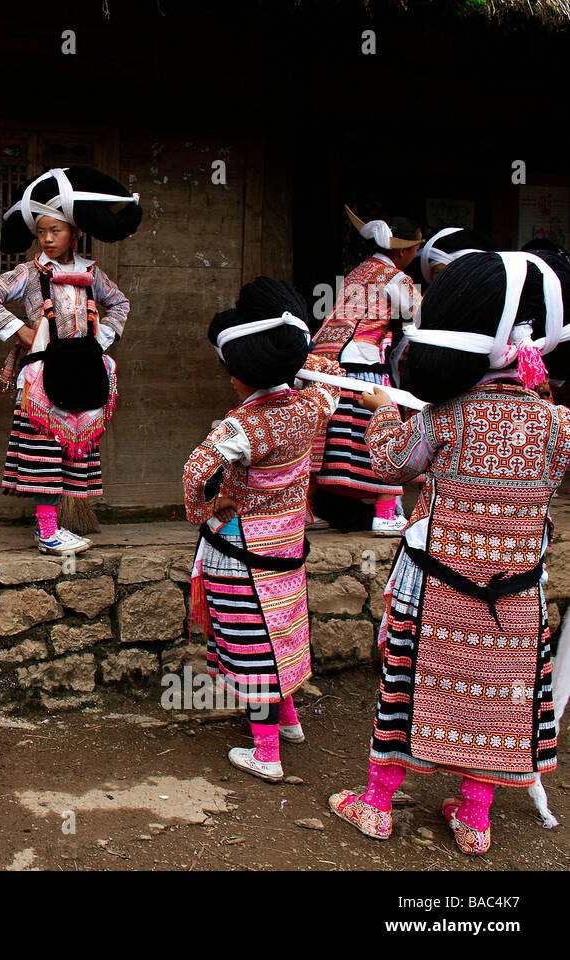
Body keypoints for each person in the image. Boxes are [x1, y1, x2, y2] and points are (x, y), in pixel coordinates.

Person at [329, 250, 569, 855]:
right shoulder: (559, 424)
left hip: (433, 580)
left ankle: (378, 804)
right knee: (496, 697)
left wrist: (383, 416)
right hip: (517, 591)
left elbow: (391, 464)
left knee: (407, 684)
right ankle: (474, 817)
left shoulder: (444, 415)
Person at [183, 277, 343, 782]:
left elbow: (192, 472)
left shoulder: (241, 427)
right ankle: (289, 721)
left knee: (253, 643)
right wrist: (297, 350)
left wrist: (203, 511)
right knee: (281, 631)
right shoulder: (313, 406)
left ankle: (266, 752)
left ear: (244, 374)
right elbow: (328, 373)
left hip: (241, 549)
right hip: (288, 543)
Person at [0, 167, 141, 555]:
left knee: (75, 452)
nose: (47, 239)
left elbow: (120, 304)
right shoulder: (28, 274)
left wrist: (102, 338)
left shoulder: (93, 274)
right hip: (42, 378)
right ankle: (47, 530)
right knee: (44, 454)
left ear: (73, 233)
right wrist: (21, 331)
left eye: (56, 230)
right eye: (42, 232)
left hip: (84, 372)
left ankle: (61, 524)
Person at [309, 206, 423, 535]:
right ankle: (387, 510)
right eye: (415, 250)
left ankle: (305, 508)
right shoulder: (395, 278)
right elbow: (419, 313)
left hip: (328, 360)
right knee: (381, 427)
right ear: (402, 250)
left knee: (328, 438)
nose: (414, 256)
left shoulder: (361, 270)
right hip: (362, 361)